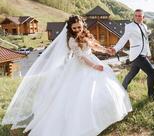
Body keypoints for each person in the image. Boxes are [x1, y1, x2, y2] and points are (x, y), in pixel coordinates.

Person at [2, 15, 132, 136]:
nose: (77, 30)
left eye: (79, 27)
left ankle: (106, 114)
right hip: (83, 64)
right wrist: (94, 66)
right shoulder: (71, 40)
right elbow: (81, 57)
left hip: (92, 59)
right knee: (80, 94)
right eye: (74, 28)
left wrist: (106, 50)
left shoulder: (87, 34)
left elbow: (94, 46)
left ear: (83, 25)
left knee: (103, 88)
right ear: (70, 28)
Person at [108, 9, 154, 101]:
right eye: (136, 15)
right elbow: (124, 39)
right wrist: (115, 48)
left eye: (139, 16)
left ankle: (121, 89)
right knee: (152, 72)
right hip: (137, 54)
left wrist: (148, 52)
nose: (137, 17)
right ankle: (152, 95)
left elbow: (146, 41)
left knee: (132, 73)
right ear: (134, 16)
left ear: (143, 17)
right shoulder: (129, 27)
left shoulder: (144, 26)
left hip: (143, 54)